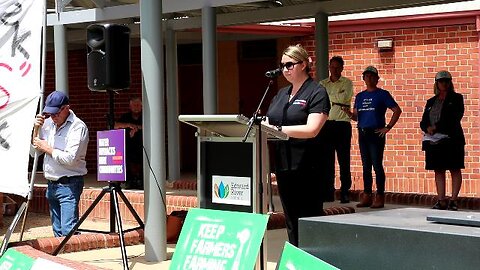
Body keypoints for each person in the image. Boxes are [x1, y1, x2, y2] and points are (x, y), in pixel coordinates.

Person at [265, 44, 330, 246]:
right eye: (282, 65)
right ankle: (295, 259)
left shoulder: (316, 91)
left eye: (290, 65)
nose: (285, 69)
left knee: (309, 219)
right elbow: (268, 121)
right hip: (285, 165)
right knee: (291, 220)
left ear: (303, 64)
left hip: (309, 167)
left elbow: (312, 129)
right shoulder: (281, 94)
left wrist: (277, 129)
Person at [342, 66, 402, 208]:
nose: (369, 79)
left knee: (377, 165)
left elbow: (397, 110)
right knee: (365, 166)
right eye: (366, 76)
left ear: (377, 78)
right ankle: (367, 195)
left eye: (372, 76)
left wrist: (388, 127)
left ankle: (380, 195)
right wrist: (349, 113)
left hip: (376, 133)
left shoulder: (382, 94)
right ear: (363, 78)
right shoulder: (360, 96)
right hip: (362, 132)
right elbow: (356, 117)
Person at [31, 91, 89, 237]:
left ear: (66, 108)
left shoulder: (77, 127)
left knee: (68, 231)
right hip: (51, 184)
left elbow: (70, 159)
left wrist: (47, 148)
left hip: (69, 184)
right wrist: (35, 130)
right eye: (50, 114)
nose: (53, 117)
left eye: (56, 113)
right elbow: (34, 153)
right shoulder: (49, 123)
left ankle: (71, 259)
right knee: (57, 232)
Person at [420, 71, 465, 211]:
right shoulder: (431, 101)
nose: (443, 83)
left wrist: (437, 127)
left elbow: (455, 117)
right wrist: (427, 128)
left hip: (451, 139)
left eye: (446, 81)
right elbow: (423, 121)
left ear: (450, 82)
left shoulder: (457, 98)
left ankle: (453, 200)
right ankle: (441, 200)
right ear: (436, 83)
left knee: (454, 168)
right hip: (433, 140)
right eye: (441, 81)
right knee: (438, 169)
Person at [320, 56, 354, 203]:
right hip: (326, 125)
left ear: (342, 68)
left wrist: (331, 100)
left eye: (337, 67)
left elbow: (345, 99)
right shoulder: (322, 83)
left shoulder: (347, 83)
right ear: (329, 67)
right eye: (332, 67)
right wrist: (335, 100)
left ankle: (345, 191)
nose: (334, 69)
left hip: (342, 125)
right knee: (327, 161)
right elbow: (321, 100)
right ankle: (328, 191)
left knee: (344, 160)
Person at [114, 97, 143, 190]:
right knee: (123, 156)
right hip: (128, 146)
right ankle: (128, 181)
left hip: (143, 147)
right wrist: (129, 125)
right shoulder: (126, 117)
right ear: (130, 106)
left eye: (138, 105)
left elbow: (151, 126)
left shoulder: (145, 116)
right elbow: (115, 125)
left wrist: (136, 128)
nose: (136, 107)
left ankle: (142, 180)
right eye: (134, 105)